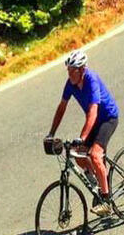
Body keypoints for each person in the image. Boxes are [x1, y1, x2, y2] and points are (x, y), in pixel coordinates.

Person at [46, 50, 119, 216]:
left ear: (82, 69)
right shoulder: (70, 84)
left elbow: (93, 111)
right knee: (77, 155)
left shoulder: (91, 79)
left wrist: (83, 137)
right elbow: (62, 107)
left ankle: (106, 201)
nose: (70, 74)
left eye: (73, 70)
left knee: (94, 155)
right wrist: (51, 133)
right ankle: (99, 184)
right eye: (68, 70)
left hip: (108, 119)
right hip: (94, 122)